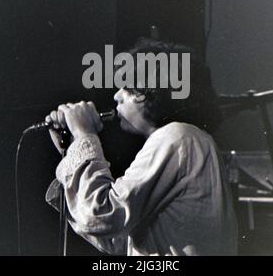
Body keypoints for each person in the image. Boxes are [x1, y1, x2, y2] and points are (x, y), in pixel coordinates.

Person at [45, 39, 238, 256]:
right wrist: (73, 148)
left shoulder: (177, 137)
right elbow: (118, 241)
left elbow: (103, 214)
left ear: (158, 91)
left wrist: (84, 136)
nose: (117, 96)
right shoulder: (186, 139)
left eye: (128, 88)